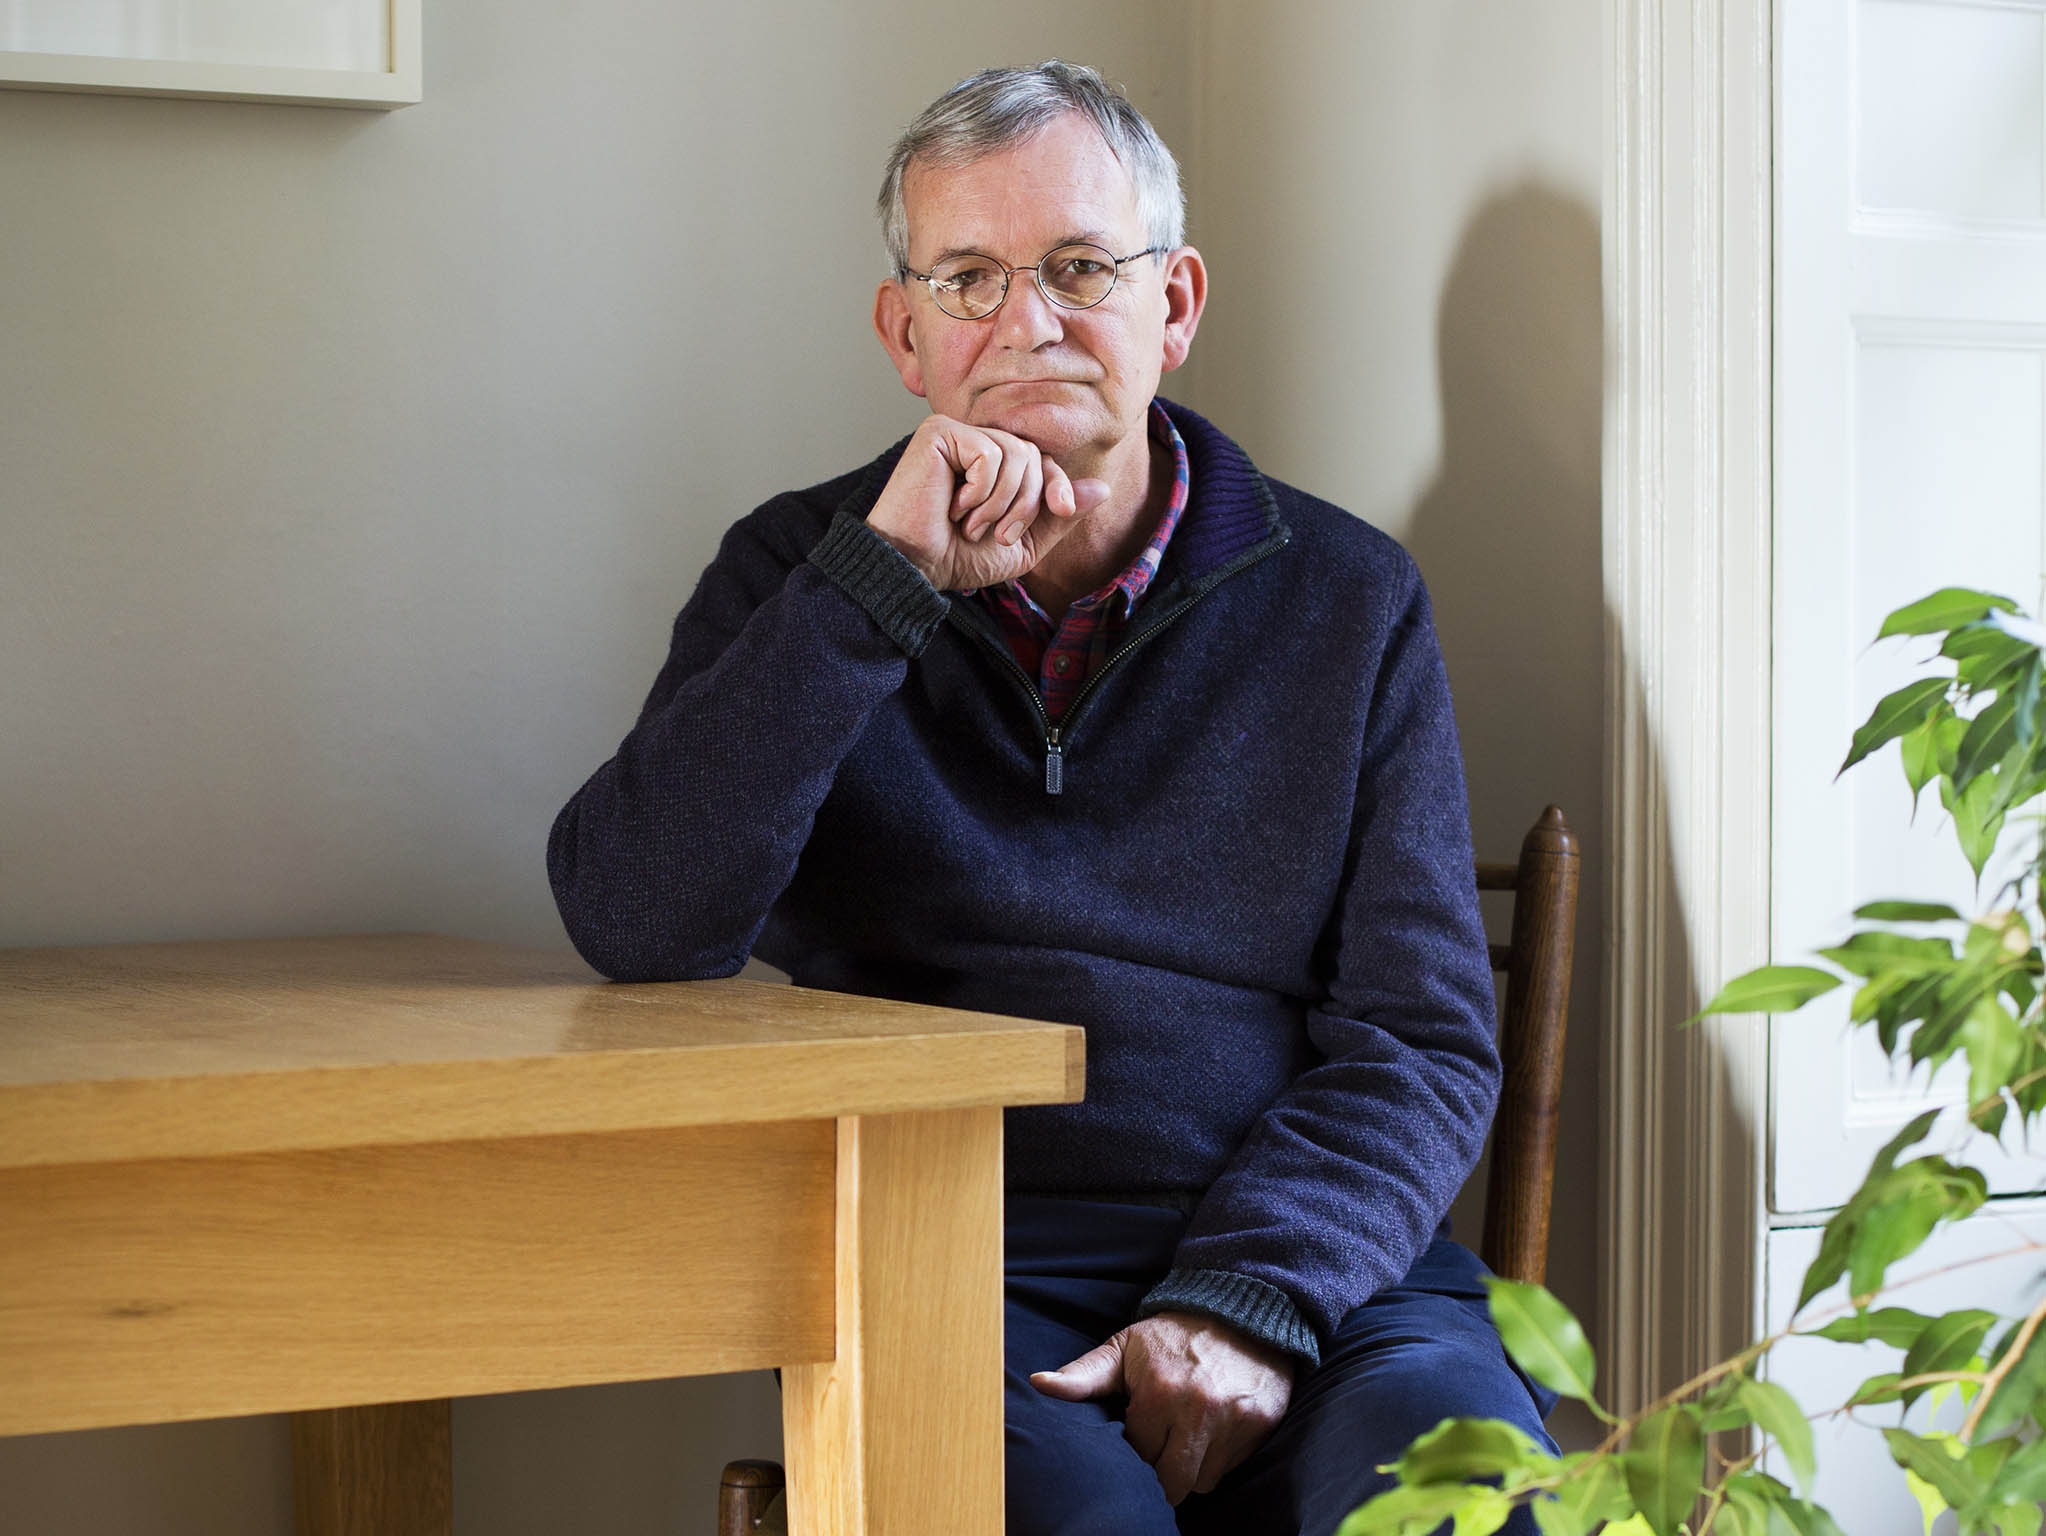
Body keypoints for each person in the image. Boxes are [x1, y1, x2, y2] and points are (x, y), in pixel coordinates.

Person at [547, 60, 1555, 1536]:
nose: (1028, 322)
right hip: (955, 1260)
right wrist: (872, 594)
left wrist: (1246, 1300)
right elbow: (635, 923)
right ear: (904, 334)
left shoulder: (1350, 599)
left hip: (1329, 1260)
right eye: (967, 279)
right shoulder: (793, 572)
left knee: (1467, 1502)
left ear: (1177, 303)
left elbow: (1418, 1031)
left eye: (1082, 267)